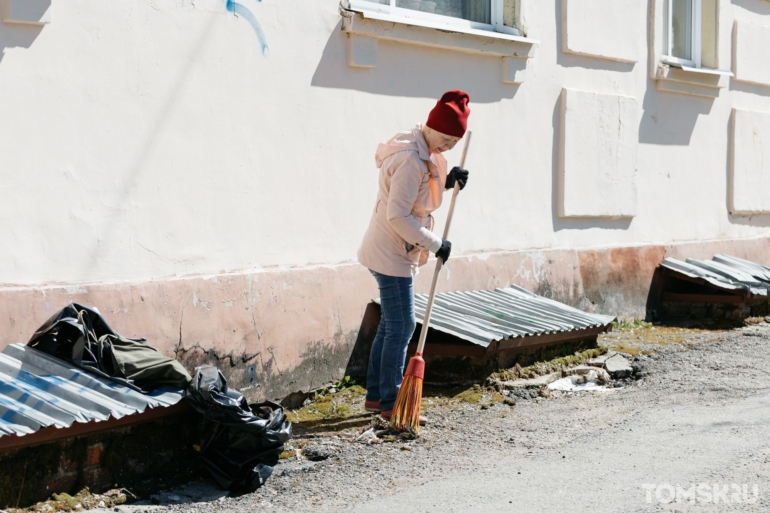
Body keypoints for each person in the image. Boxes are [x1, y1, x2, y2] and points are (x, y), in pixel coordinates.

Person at [357, 90, 471, 423]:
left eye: (454, 142)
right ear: (432, 127)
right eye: (446, 139)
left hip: (392, 248)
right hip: (390, 251)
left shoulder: (422, 148)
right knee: (403, 325)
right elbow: (398, 216)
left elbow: (419, 193)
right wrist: (436, 244)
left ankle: (376, 395)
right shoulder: (409, 159)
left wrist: (447, 182)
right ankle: (392, 402)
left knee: (392, 325)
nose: (448, 147)